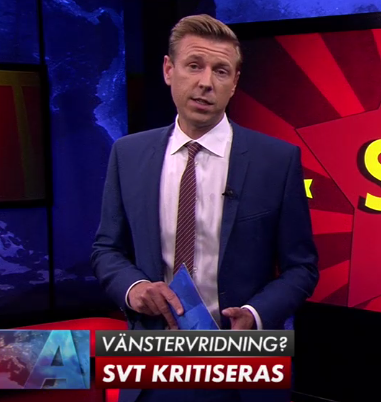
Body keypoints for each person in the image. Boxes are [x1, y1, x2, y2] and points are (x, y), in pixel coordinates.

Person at [91, 14, 319, 402]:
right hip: (152, 363)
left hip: (243, 365)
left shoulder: (277, 161)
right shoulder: (128, 154)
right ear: (169, 70)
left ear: (235, 82)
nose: (206, 83)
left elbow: (302, 267)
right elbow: (106, 249)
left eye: (221, 71)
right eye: (194, 65)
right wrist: (134, 289)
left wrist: (256, 315)